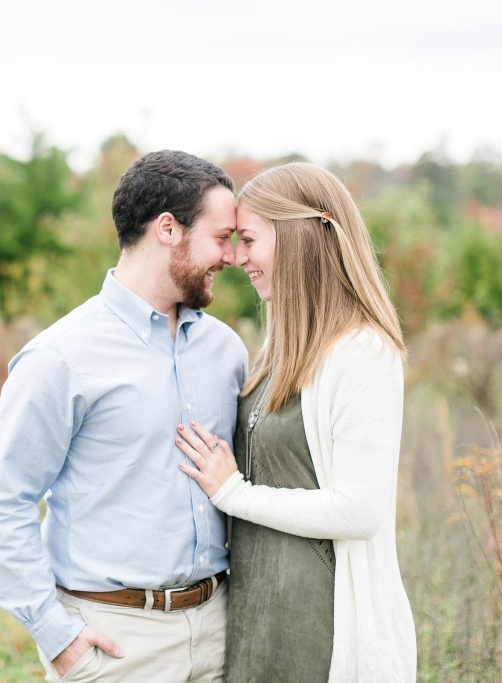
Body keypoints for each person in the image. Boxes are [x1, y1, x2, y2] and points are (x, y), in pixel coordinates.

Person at [0, 150, 248, 682]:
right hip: (116, 643)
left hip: (221, 627)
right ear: (167, 229)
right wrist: (56, 636)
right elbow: (5, 499)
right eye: (220, 238)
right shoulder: (60, 358)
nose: (231, 257)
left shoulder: (227, 350)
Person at [175, 162, 417, 682]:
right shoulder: (283, 349)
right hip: (256, 621)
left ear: (301, 235)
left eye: (249, 240)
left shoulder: (363, 352)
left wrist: (232, 493)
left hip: (322, 631)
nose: (238, 259)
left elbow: (360, 510)